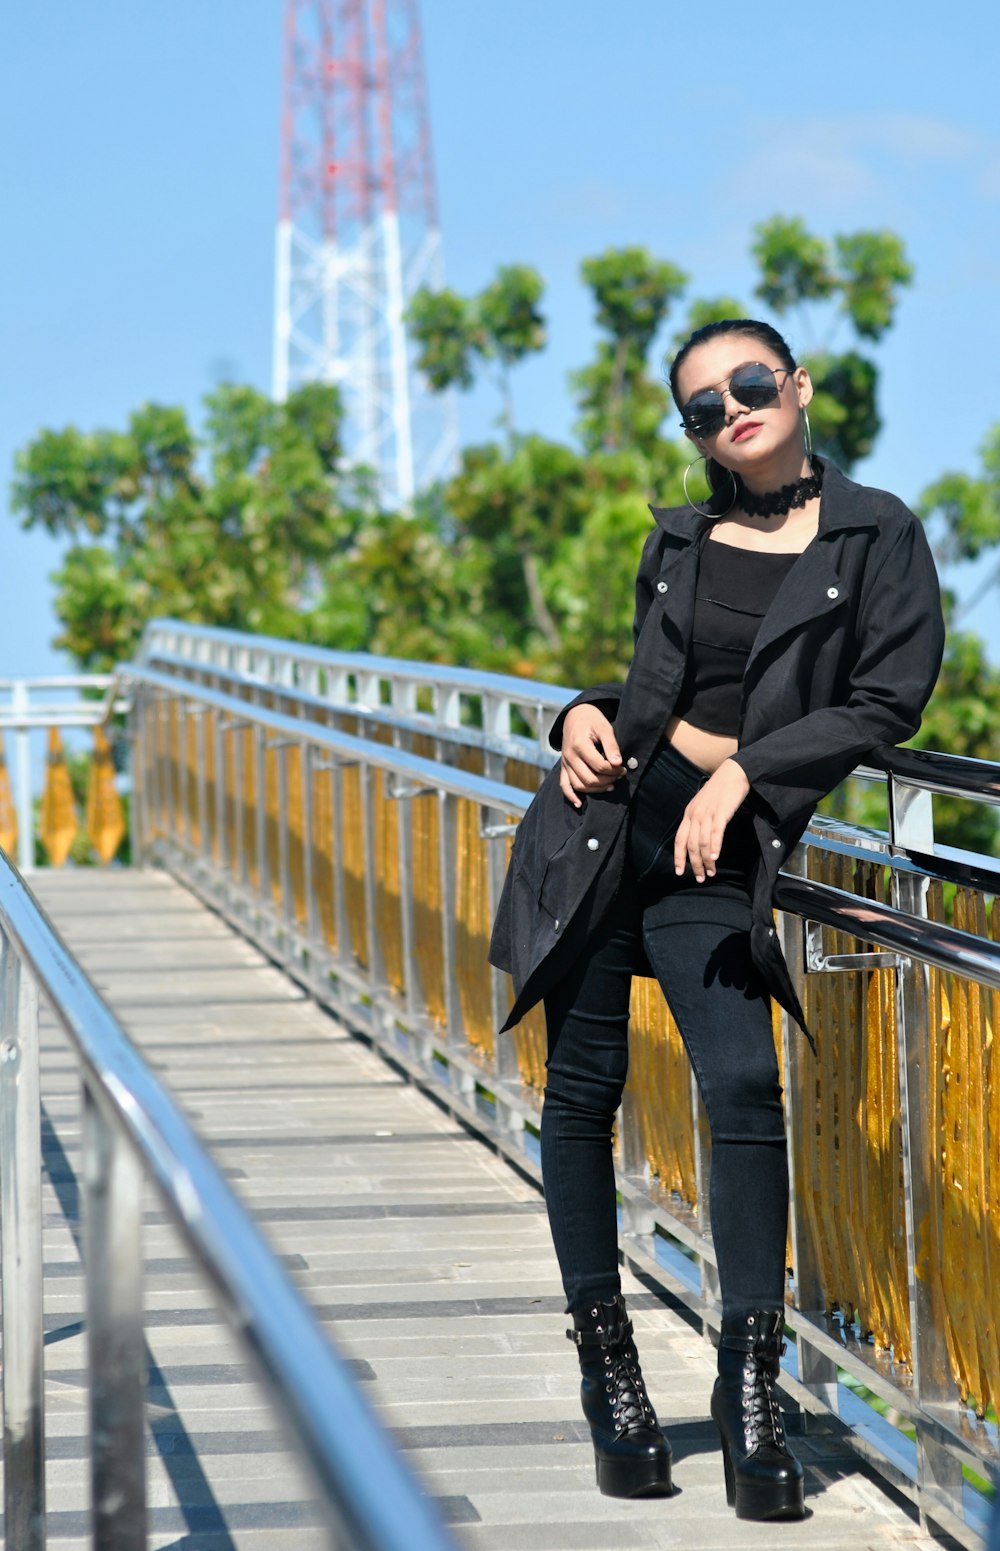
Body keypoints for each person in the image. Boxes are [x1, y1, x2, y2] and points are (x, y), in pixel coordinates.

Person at [489, 319, 945, 1520]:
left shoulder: (874, 532)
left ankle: (751, 1398)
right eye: (703, 406)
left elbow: (885, 701)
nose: (731, 411)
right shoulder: (681, 537)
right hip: (606, 826)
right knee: (581, 1092)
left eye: (749, 386)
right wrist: (576, 714)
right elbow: (654, 688)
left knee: (742, 1087)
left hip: (718, 851)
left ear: (795, 387)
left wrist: (750, 774)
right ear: (693, 433)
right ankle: (614, 1386)